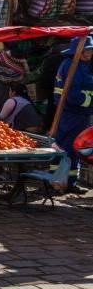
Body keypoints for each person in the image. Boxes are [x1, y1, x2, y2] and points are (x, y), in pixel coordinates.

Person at [54, 35, 93, 194]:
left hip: (79, 114)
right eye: (87, 51)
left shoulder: (82, 65)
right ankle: (59, 181)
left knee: (75, 149)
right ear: (78, 51)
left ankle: (69, 182)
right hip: (72, 114)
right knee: (68, 148)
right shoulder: (72, 66)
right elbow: (74, 96)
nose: (90, 54)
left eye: (91, 51)